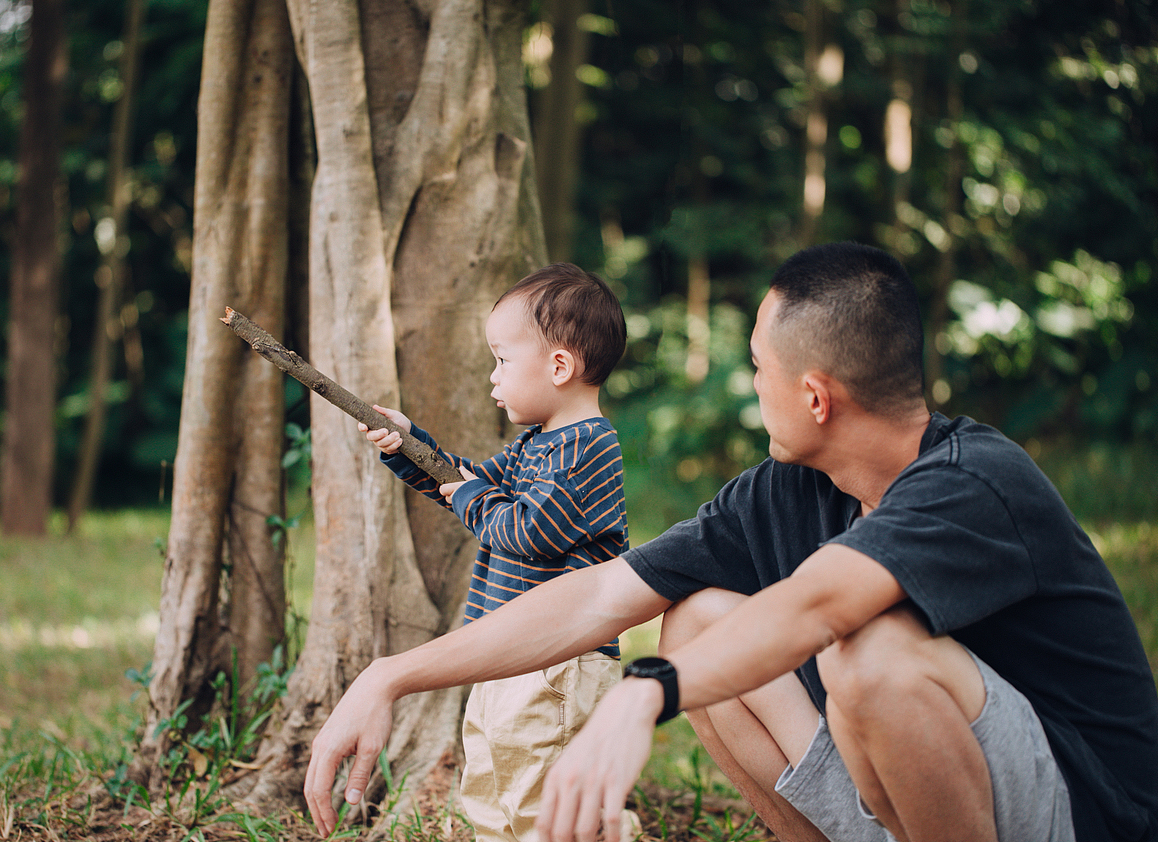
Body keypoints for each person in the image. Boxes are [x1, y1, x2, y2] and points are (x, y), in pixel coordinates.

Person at [305, 242, 1158, 842]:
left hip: (1080, 814)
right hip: (928, 799)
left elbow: (822, 603)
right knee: (700, 618)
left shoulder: (976, 481)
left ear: (816, 395)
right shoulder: (785, 488)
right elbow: (606, 590)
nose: (751, 385)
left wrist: (643, 695)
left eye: (757, 368)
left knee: (869, 653)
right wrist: (395, 674)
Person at [354, 262, 633, 842]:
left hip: (558, 665)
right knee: (490, 788)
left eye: (503, 360)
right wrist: (411, 446)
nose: (493, 376)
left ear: (560, 366)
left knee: (542, 801)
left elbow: (525, 532)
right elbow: (468, 484)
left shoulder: (587, 448)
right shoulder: (538, 442)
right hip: (510, 656)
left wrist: (474, 495)